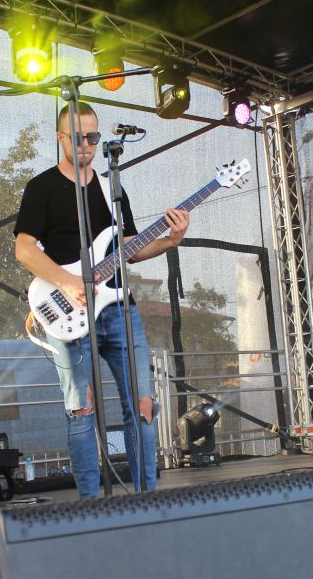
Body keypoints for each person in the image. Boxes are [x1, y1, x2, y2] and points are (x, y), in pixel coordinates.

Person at [13, 103, 190, 498]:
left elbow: (129, 247)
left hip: (119, 308)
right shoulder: (42, 187)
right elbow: (24, 249)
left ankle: (146, 501)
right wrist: (68, 281)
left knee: (143, 406)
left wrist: (171, 240)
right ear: (60, 138)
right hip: (68, 310)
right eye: (78, 137)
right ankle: (90, 506)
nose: (87, 144)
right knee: (82, 409)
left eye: (93, 137)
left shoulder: (112, 189)